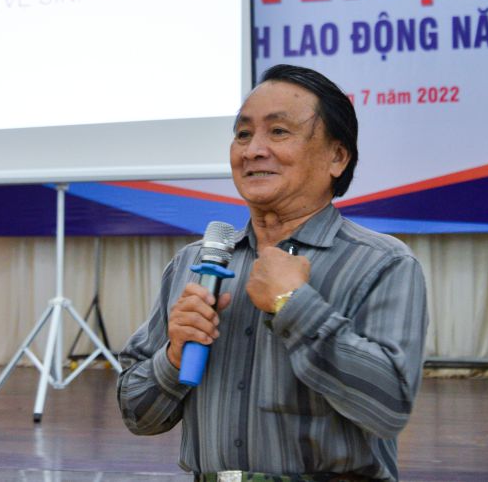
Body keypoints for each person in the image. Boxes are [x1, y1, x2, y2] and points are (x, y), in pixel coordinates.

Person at [117, 64, 428, 482]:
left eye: (278, 132)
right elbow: (137, 415)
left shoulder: (382, 263)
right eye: (243, 134)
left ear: (337, 157)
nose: (252, 150)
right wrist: (173, 357)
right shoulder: (195, 264)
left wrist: (295, 305)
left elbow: (389, 408)